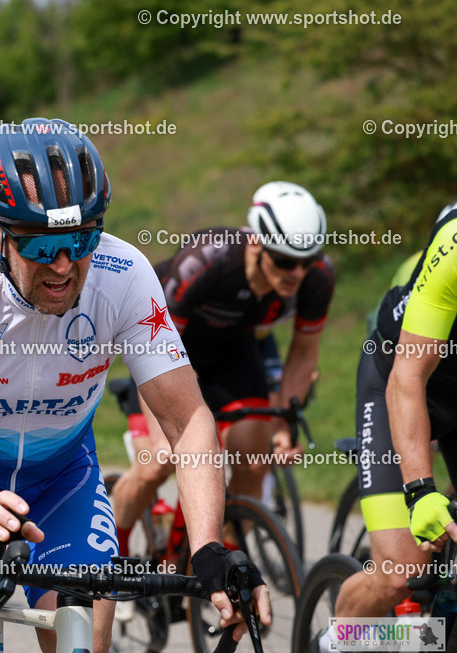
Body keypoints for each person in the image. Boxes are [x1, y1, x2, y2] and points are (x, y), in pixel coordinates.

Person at [0, 118, 270, 653]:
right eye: (43, 244)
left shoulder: (124, 275)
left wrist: (207, 545)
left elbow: (186, 418)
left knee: (84, 642)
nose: (63, 265)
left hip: (61, 478)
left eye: (81, 239)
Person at [110, 181, 334, 556]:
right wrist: (166, 435)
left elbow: (303, 352)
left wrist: (283, 424)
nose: (297, 273)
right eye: (284, 260)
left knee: (253, 459)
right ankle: (113, 549)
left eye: (307, 261)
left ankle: (222, 567)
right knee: (157, 464)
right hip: (162, 347)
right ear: (257, 243)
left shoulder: (318, 278)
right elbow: (152, 347)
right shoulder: (208, 260)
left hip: (232, 351)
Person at [308, 201, 457, 653]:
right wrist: (421, 492)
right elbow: (406, 380)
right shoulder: (454, 248)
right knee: (400, 572)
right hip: (402, 377)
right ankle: (335, 648)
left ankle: (435, 633)